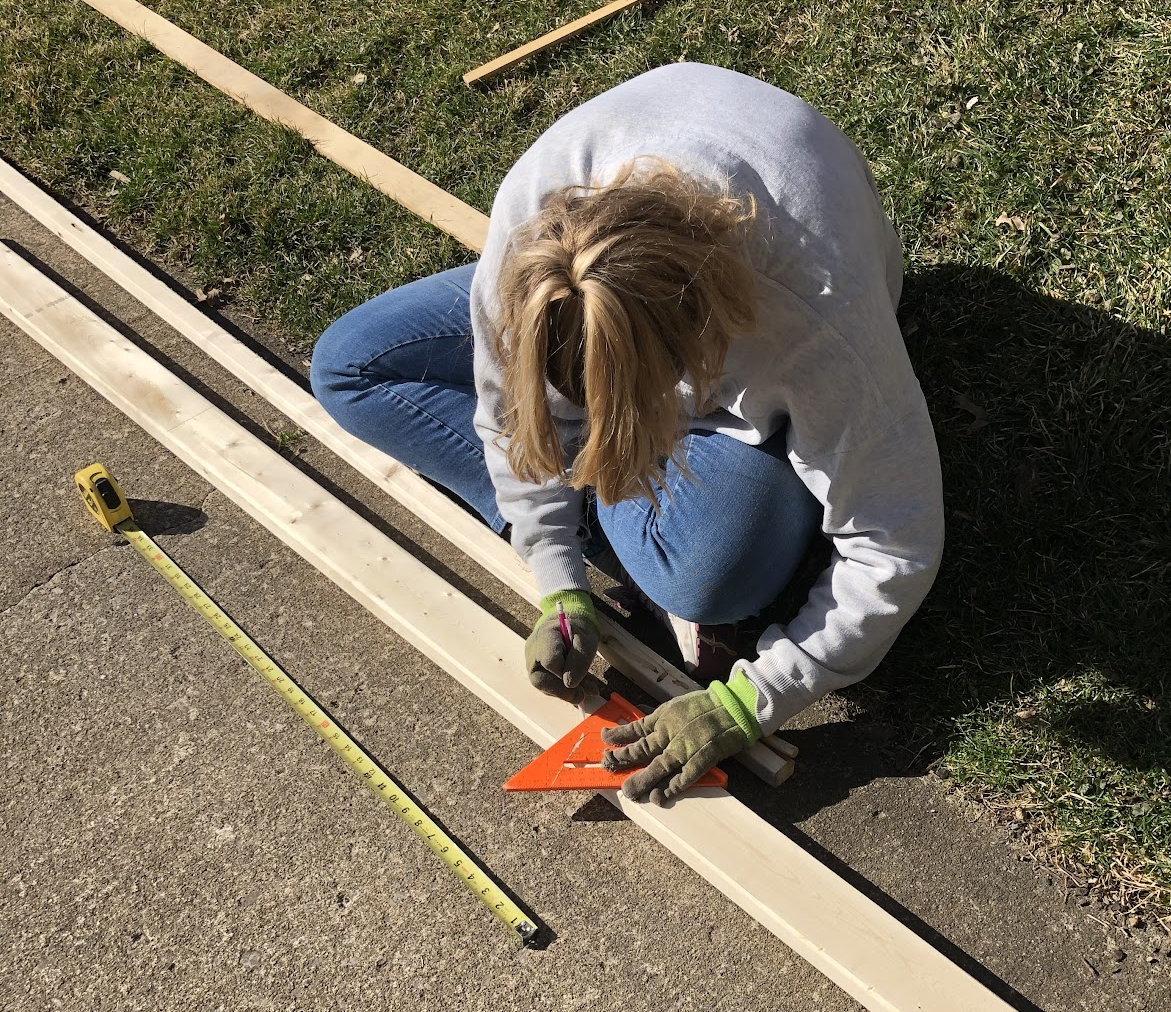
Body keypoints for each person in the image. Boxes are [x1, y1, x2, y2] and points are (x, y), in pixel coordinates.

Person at [310, 64, 943, 803]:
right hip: (611, 280)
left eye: (622, 417)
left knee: (707, 572)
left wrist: (750, 700)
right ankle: (593, 515)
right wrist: (556, 577)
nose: (587, 428)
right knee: (349, 368)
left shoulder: (814, 325)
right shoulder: (535, 237)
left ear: (687, 366)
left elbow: (896, 543)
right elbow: (508, 417)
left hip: (765, 308)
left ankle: (644, 519)